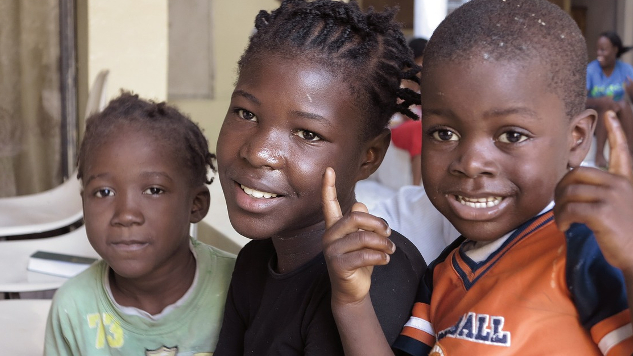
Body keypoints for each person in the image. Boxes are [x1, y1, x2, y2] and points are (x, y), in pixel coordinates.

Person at [322, 0, 633, 354]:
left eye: (511, 135)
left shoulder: (589, 251)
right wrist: (351, 303)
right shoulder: (442, 275)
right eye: (444, 134)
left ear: (576, 138)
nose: (470, 163)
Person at [213, 0, 426, 354]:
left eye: (308, 134)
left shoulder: (375, 274)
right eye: (245, 113)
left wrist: (351, 305)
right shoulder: (254, 262)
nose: (259, 152)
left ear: (368, 157)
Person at [44, 93, 236, 355]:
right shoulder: (72, 308)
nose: (126, 215)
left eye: (154, 190)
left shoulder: (237, 286)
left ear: (196, 204)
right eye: (104, 192)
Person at [586, 31, 633, 168]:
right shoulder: (591, 70)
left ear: (615, 50)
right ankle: (599, 154)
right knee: (606, 106)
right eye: (598, 49)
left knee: (623, 104)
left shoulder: (626, 69)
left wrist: (631, 93)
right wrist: (599, 102)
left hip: (618, 116)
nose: (599, 53)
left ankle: (630, 150)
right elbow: (581, 100)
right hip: (596, 117)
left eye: (603, 49)